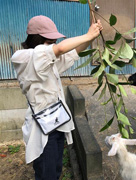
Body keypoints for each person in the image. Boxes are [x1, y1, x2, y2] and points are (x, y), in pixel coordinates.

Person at [11, 15, 103, 180]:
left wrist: (92, 37)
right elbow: (60, 49)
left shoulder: (46, 61)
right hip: (42, 129)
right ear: (38, 39)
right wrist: (87, 35)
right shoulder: (24, 58)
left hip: (56, 122)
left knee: (55, 170)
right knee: (47, 174)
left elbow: (72, 52)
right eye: (50, 40)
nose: (54, 44)